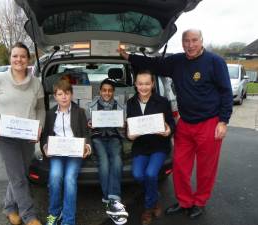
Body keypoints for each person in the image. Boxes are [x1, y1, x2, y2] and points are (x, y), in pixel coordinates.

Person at [120, 29, 233, 219]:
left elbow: (226, 93)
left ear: (201, 40)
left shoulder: (215, 62)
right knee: (180, 166)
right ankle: (184, 201)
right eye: (186, 41)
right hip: (185, 123)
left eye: (194, 40)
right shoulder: (177, 61)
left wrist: (223, 121)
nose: (190, 45)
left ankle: (199, 201)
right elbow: (153, 64)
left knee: (206, 168)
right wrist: (128, 56)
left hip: (209, 123)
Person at [0, 42, 45, 225]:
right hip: (4, 136)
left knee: (20, 173)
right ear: (10, 58)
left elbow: (41, 108)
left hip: (27, 136)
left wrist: (40, 126)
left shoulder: (36, 83)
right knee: (18, 177)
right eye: (15, 56)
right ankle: (29, 215)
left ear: (28, 59)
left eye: (22, 56)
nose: (19, 60)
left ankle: (9, 207)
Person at [126, 70, 175, 225]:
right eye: (140, 84)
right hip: (140, 146)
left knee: (151, 174)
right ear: (135, 84)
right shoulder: (131, 102)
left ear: (153, 84)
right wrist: (129, 135)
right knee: (138, 174)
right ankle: (156, 199)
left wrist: (168, 131)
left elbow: (171, 124)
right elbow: (129, 127)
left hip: (159, 146)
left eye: (147, 84)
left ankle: (148, 209)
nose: (144, 87)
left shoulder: (162, 101)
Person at [40, 79, 92, 225]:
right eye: (60, 94)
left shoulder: (80, 112)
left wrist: (87, 147)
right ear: (55, 96)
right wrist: (45, 147)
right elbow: (45, 136)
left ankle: (69, 220)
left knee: (69, 179)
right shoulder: (50, 114)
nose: (64, 97)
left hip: (74, 153)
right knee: (55, 177)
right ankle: (54, 214)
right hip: (57, 152)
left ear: (71, 95)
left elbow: (86, 133)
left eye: (67, 93)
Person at [88, 78, 128, 225]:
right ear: (100, 91)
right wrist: (89, 123)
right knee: (104, 161)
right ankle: (108, 197)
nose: (107, 93)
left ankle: (113, 197)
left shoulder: (120, 107)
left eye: (110, 90)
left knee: (117, 159)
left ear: (113, 92)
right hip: (98, 138)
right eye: (104, 90)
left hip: (114, 138)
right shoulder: (91, 106)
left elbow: (123, 129)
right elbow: (87, 123)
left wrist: (122, 125)